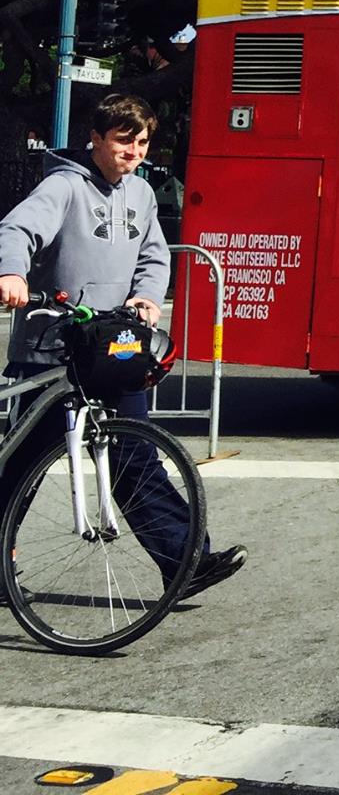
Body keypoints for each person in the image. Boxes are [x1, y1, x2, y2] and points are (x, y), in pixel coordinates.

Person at [0, 94, 246, 598]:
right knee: (20, 464)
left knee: (136, 454)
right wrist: (12, 272)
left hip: (113, 346)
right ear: (96, 138)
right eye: (122, 141)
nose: (133, 152)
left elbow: (155, 256)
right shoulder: (63, 186)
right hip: (51, 348)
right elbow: (17, 228)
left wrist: (147, 296)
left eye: (141, 142)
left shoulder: (140, 194)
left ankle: (186, 562)